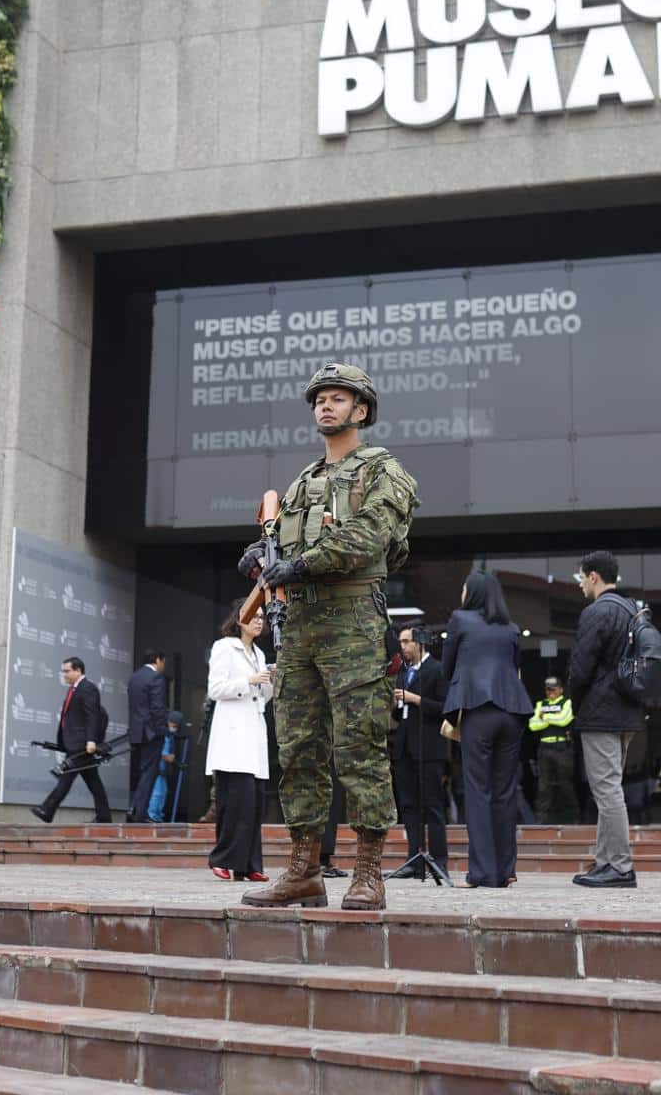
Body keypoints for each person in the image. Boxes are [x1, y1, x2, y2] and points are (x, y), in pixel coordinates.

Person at [237, 363, 419, 910]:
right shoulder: (302, 483)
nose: (325, 406)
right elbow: (282, 546)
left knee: (360, 747)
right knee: (297, 749)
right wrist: (260, 558)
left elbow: (369, 537)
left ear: (361, 410)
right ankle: (304, 869)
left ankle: (368, 873)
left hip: (354, 621)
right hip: (299, 629)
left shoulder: (383, 471)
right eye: (319, 398)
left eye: (338, 398)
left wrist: (301, 565)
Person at [441, 572, 533, 888]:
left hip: (479, 710)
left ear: (474, 593)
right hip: (512, 712)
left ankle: (481, 872)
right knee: (506, 792)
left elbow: (446, 666)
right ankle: (505, 870)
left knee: (478, 792)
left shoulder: (460, 620)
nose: (462, 593)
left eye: (464, 588)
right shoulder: (510, 628)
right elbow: (516, 665)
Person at [567, 550, 646, 889]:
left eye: (581, 577)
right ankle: (605, 862)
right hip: (627, 711)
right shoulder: (632, 610)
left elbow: (581, 668)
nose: (581, 583)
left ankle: (620, 867)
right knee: (608, 789)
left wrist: (575, 701)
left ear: (594, 576)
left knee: (608, 790)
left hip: (601, 713)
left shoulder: (596, 612)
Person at [206, 603, 274, 881]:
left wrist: (269, 680)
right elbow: (216, 689)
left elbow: (263, 696)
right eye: (253, 617)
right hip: (232, 736)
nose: (259, 622)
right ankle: (222, 859)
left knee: (254, 803)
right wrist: (249, 680)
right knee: (234, 801)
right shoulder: (224, 647)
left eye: (261, 617)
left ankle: (248, 865)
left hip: (254, 734)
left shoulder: (259, 653)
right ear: (239, 619)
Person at [388, 624, 450, 880]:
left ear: (419, 643)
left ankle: (438, 859)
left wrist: (415, 699)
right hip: (404, 748)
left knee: (433, 805)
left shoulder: (437, 669)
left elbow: (445, 706)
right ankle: (414, 859)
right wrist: (395, 703)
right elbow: (397, 714)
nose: (402, 647)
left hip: (429, 747)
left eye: (405, 642)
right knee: (409, 805)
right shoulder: (403, 673)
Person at [32, 657, 113, 824]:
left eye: (67, 671)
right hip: (75, 742)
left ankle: (47, 809)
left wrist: (91, 740)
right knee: (93, 781)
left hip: (82, 744)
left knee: (66, 777)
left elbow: (93, 716)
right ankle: (104, 816)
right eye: (63, 671)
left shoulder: (87, 688)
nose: (64, 674)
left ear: (78, 671)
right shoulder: (74, 689)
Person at [528, 676, 578, 823]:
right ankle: (541, 820)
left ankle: (574, 817)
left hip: (562, 748)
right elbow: (533, 725)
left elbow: (564, 721)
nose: (550, 692)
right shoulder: (540, 704)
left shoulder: (567, 702)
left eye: (553, 689)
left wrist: (544, 717)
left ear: (561, 690)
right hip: (545, 748)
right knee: (543, 786)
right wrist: (553, 717)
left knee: (565, 784)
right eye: (548, 689)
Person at [131, 710, 191, 824]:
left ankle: (157, 817)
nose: (174, 728)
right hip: (155, 770)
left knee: (162, 794)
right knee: (156, 794)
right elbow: (160, 753)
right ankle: (150, 816)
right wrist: (170, 758)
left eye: (176, 726)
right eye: (173, 725)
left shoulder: (170, 735)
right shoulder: (160, 734)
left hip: (163, 772)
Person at [127, 651, 169, 813]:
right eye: (163, 662)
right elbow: (157, 708)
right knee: (149, 774)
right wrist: (162, 731)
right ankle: (138, 811)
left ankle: (135, 807)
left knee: (141, 772)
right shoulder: (156, 677)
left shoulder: (134, 677)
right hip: (152, 733)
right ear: (158, 660)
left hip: (136, 733)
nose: (163, 666)